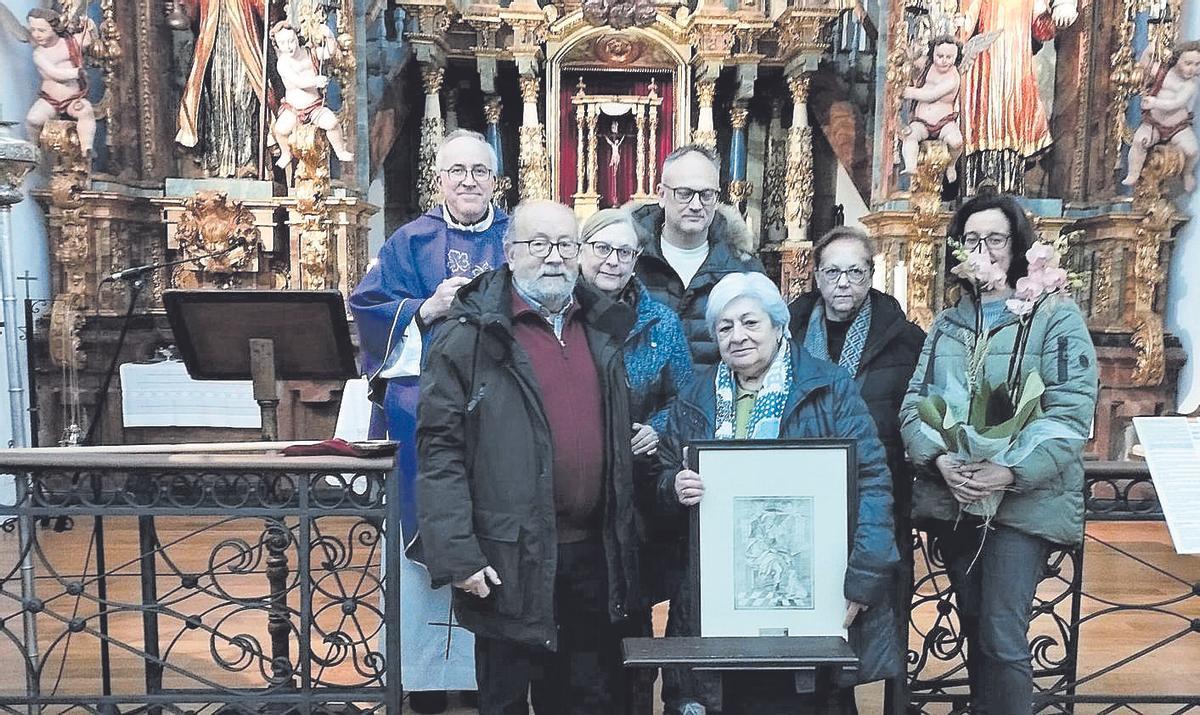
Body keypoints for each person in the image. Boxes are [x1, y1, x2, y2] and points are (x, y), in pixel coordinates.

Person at [416, 199, 641, 715]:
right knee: (507, 700)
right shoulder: (467, 337)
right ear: (510, 253)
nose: (554, 257)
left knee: (590, 698)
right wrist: (458, 554)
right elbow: (440, 452)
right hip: (506, 559)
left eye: (565, 245)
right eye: (539, 245)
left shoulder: (603, 326)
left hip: (592, 557)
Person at [660, 272, 900, 715]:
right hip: (716, 603)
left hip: (812, 595)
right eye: (725, 327)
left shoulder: (829, 388)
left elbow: (872, 482)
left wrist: (864, 577)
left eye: (750, 323)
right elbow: (662, 476)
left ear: (778, 325)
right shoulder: (696, 396)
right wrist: (673, 486)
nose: (738, 336)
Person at [899, 192, 1098, 715]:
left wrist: (1007, 471)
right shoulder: (948, 323)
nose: (982, 250)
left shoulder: (1053, 316)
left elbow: (1069, 414)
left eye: (994, 239)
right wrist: (939, 460)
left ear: (1017, 247)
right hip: (959, 496)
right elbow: (916, 404)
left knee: (1004, 637)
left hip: (1020, 506)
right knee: (974, 628)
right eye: (971, 240)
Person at [349, 129, 507, 713]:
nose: (469, 181)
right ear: (438, 180)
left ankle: (493, 675)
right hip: (425, 413)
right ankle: (423, 676)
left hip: (500, 414)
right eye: (457, 171)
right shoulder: (409, 241)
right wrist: (424, 309)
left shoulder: (519, 240)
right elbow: (368, 308)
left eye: (480, 171)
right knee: (429, 534)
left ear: (496, 179)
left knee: (496, 531)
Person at [787, 226, 925, 711]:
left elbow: (917, 410)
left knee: (871, 613)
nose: (843, 282)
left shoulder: (904, 339)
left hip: (874, 491)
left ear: (871, 274)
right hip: (801, 493)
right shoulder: (789, 330)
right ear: (816, 277)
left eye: (855, 271)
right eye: (832, 272)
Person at [577, 207, 694, 713]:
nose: (612, 260)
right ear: (581, 252)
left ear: (637, 260)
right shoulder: (561, 316)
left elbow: (687, 398)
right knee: (581, 620)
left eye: (624, 252)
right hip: (578, 491)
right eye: (602, 248)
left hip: (640, 496)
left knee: (635, 618)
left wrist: (659, 428)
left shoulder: (661, 321)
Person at [631, 144, 765, 368]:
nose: (696, 205)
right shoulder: (628, 260)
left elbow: (766, 349)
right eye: (684, 194)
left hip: (716, 400)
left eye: (706, 195)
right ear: (662, 195)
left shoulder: (744, 267)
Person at [956, 0, 1079, 193]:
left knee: (1010, 115)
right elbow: (964, 26)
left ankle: (1008, 181)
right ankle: (980, 180)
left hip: (1015, 60)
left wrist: (1062, 7)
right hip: (985, 62)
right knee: (986, 112)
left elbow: (1042, 28)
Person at [174, 0, 271, 177]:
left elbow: (264, 10)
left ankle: (248, 162)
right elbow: (190, 12)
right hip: (214, 44)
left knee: (245, 98)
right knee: (217, 100)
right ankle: (216, 162)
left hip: (244, 43)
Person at [270, 22, 354, 168]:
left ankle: (340, 150)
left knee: (332, 123)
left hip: (314, 106)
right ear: (277, 45)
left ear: (297, 38)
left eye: (291, 41)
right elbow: (297, 82)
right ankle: (286, 153)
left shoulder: (310, 53)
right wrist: (315, 81)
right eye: (282, 43)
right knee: (280, 130)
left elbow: (329, 52)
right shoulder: (283, 63)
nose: (288, 46)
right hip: (294, 109)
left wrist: (329, 36)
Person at [1122, 40, 1200, 192]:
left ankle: (1188, 173)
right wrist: (1149, 50)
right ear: (1177, 59)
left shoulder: (1191, 84)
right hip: (1154, 123)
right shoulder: (1163, 72)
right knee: (1139, 141)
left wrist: (1154, 103)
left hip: (1178, 127)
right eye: (1188, 63)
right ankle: (1133, 173)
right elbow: (1144, 67)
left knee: (1192, 151)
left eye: (1197, 64)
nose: (1192, 69)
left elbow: (1176, 103)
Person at [21, 8, 97, 157]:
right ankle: (34, 149)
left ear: (54, 28)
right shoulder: (39, 54)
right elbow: (54, 73)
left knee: (86, 112)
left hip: (73, 98)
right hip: (50, 99)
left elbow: (87, 39)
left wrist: (90, 26)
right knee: (33, 119)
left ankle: (86, 148)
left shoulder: (69, 43)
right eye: (33, 30)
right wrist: (76, 73)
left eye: (42, 30)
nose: (36, 34)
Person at [901, 36, 964, 183]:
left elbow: (931, 95)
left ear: (956, 57)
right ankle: (910, 166)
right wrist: (911, 54)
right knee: (910, 136)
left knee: (956, 142)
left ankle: (951, 165)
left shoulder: (953, 77)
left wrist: (910, 92)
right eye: (939, 56)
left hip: (944, 122)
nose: (943, 60)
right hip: (921, 121)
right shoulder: (927, 65)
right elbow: (912, 61)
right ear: (933, 54)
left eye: (949, 57)